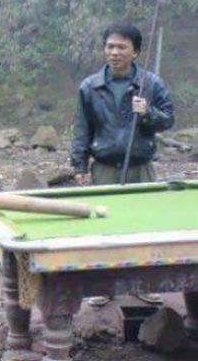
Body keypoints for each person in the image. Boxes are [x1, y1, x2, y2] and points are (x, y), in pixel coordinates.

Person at [71, 21, 175, 306]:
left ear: (135, 52)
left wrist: (148, 112)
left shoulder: (151, 84)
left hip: (141, 166)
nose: (114, 52)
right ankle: (103, 286)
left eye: (121, 47)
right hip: (104, 166)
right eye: (110, 46)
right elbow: (82, 129)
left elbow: (168, 120)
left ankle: (145, 284)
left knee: (144, 225)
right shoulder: (90, 87)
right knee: (104, 228)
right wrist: (79, 166)